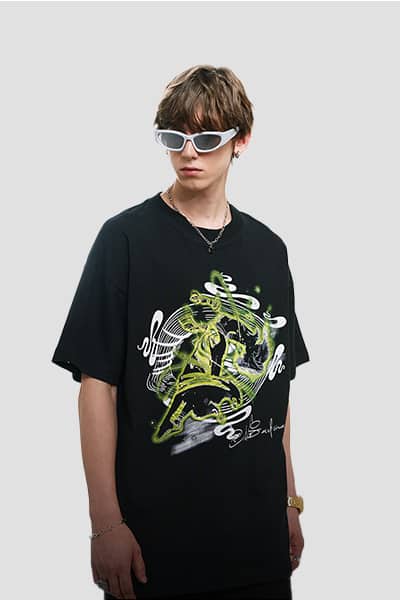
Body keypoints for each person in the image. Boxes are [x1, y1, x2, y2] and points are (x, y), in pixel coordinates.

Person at [51, 64, 310, 600]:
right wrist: (105, 523)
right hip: (155, 548)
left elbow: (276, 389)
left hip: (258, 543)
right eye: (175, 137)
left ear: (241, 140)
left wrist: (290, 501)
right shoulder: (124, 240)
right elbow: (97, 387)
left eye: (207, 138)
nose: (189, 153)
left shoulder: (270, 250)